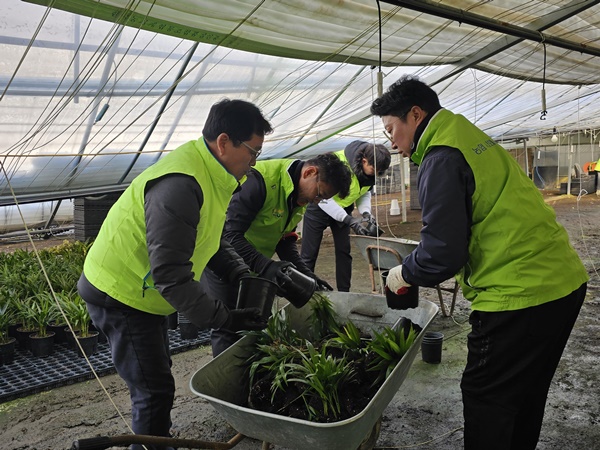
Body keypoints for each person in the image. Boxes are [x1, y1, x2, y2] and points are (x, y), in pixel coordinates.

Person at [370, 75, 588, 450]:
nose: (391, 141)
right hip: (562, 283)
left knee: (486, 396)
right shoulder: (469, 137)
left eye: (392, 128)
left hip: (518, 294)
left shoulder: (440, 155)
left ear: (416, 114)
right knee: (526, 393)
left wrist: (404, 271)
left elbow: (442, 252)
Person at [77, 98, 273, 449]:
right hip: (120, 292)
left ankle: (155, 439)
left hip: (146, 293)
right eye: (252, 151)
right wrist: (225, 318)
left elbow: (209, 238)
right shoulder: (181, 184)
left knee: (155, 374)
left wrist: (240, 273)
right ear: (225, 141)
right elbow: (170, 275)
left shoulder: (212, 172)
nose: (254, 161)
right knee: (153, 390)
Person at [204, 153, 353, 356]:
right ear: (310, 172)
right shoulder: (259, 182)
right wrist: (266, 266)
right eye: (319, 194)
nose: (316, 201)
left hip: (252, 268)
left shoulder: (299, 196)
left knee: (253, 323)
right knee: (228, 327)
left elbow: (284, 241)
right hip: (223, 262)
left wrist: (308, 275)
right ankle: (222, 384)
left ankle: (247, 376)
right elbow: (229, 235)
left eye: (322, 199)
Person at [300, 140, 391, 292]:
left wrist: (366, 212)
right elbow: (324, 198)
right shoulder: (339, 164)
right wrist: (350, 221)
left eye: (380, 171)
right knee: (309, 253)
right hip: (320, 204)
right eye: (375, 169)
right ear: (363, 161)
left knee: (344, 252)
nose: (376, 173)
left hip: (343, 208)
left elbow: (365, 192)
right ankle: (303, 290)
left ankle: (344, 292)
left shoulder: (370, 171)